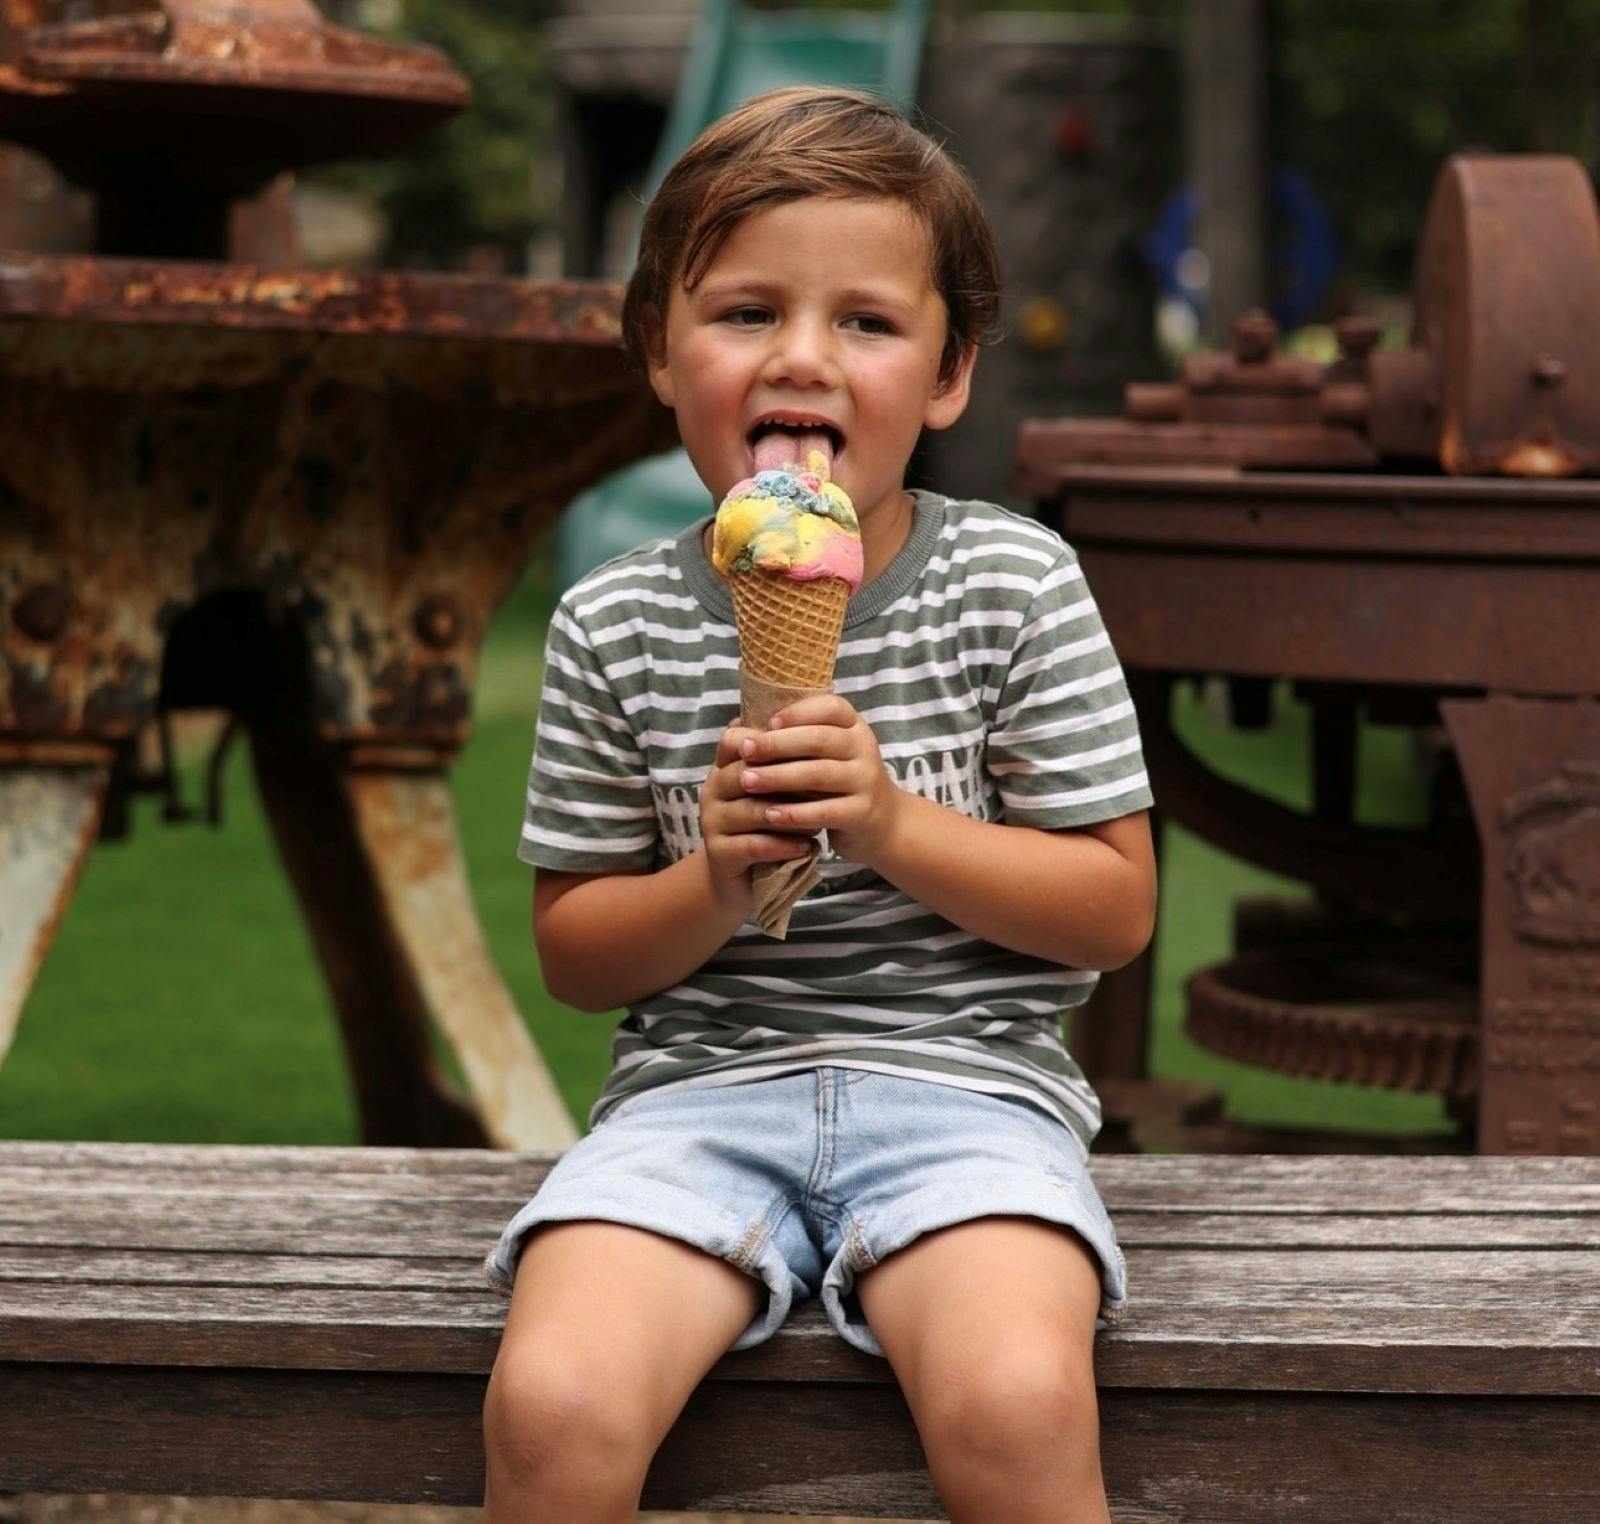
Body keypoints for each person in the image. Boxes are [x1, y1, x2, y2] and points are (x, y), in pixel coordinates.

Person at [482, 85, 1157, 1523]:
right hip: (694, 1100)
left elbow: (1112, 904)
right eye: (742, 315)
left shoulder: (1014, 585)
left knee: (1019, 1400)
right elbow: (575, 951)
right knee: (552, 1405)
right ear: (659, 354)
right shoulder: (613, 621)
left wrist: (897, 825)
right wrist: (711, 881)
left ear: (951, 371)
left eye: (866, 320)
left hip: (970, 1091)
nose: (803, 356)